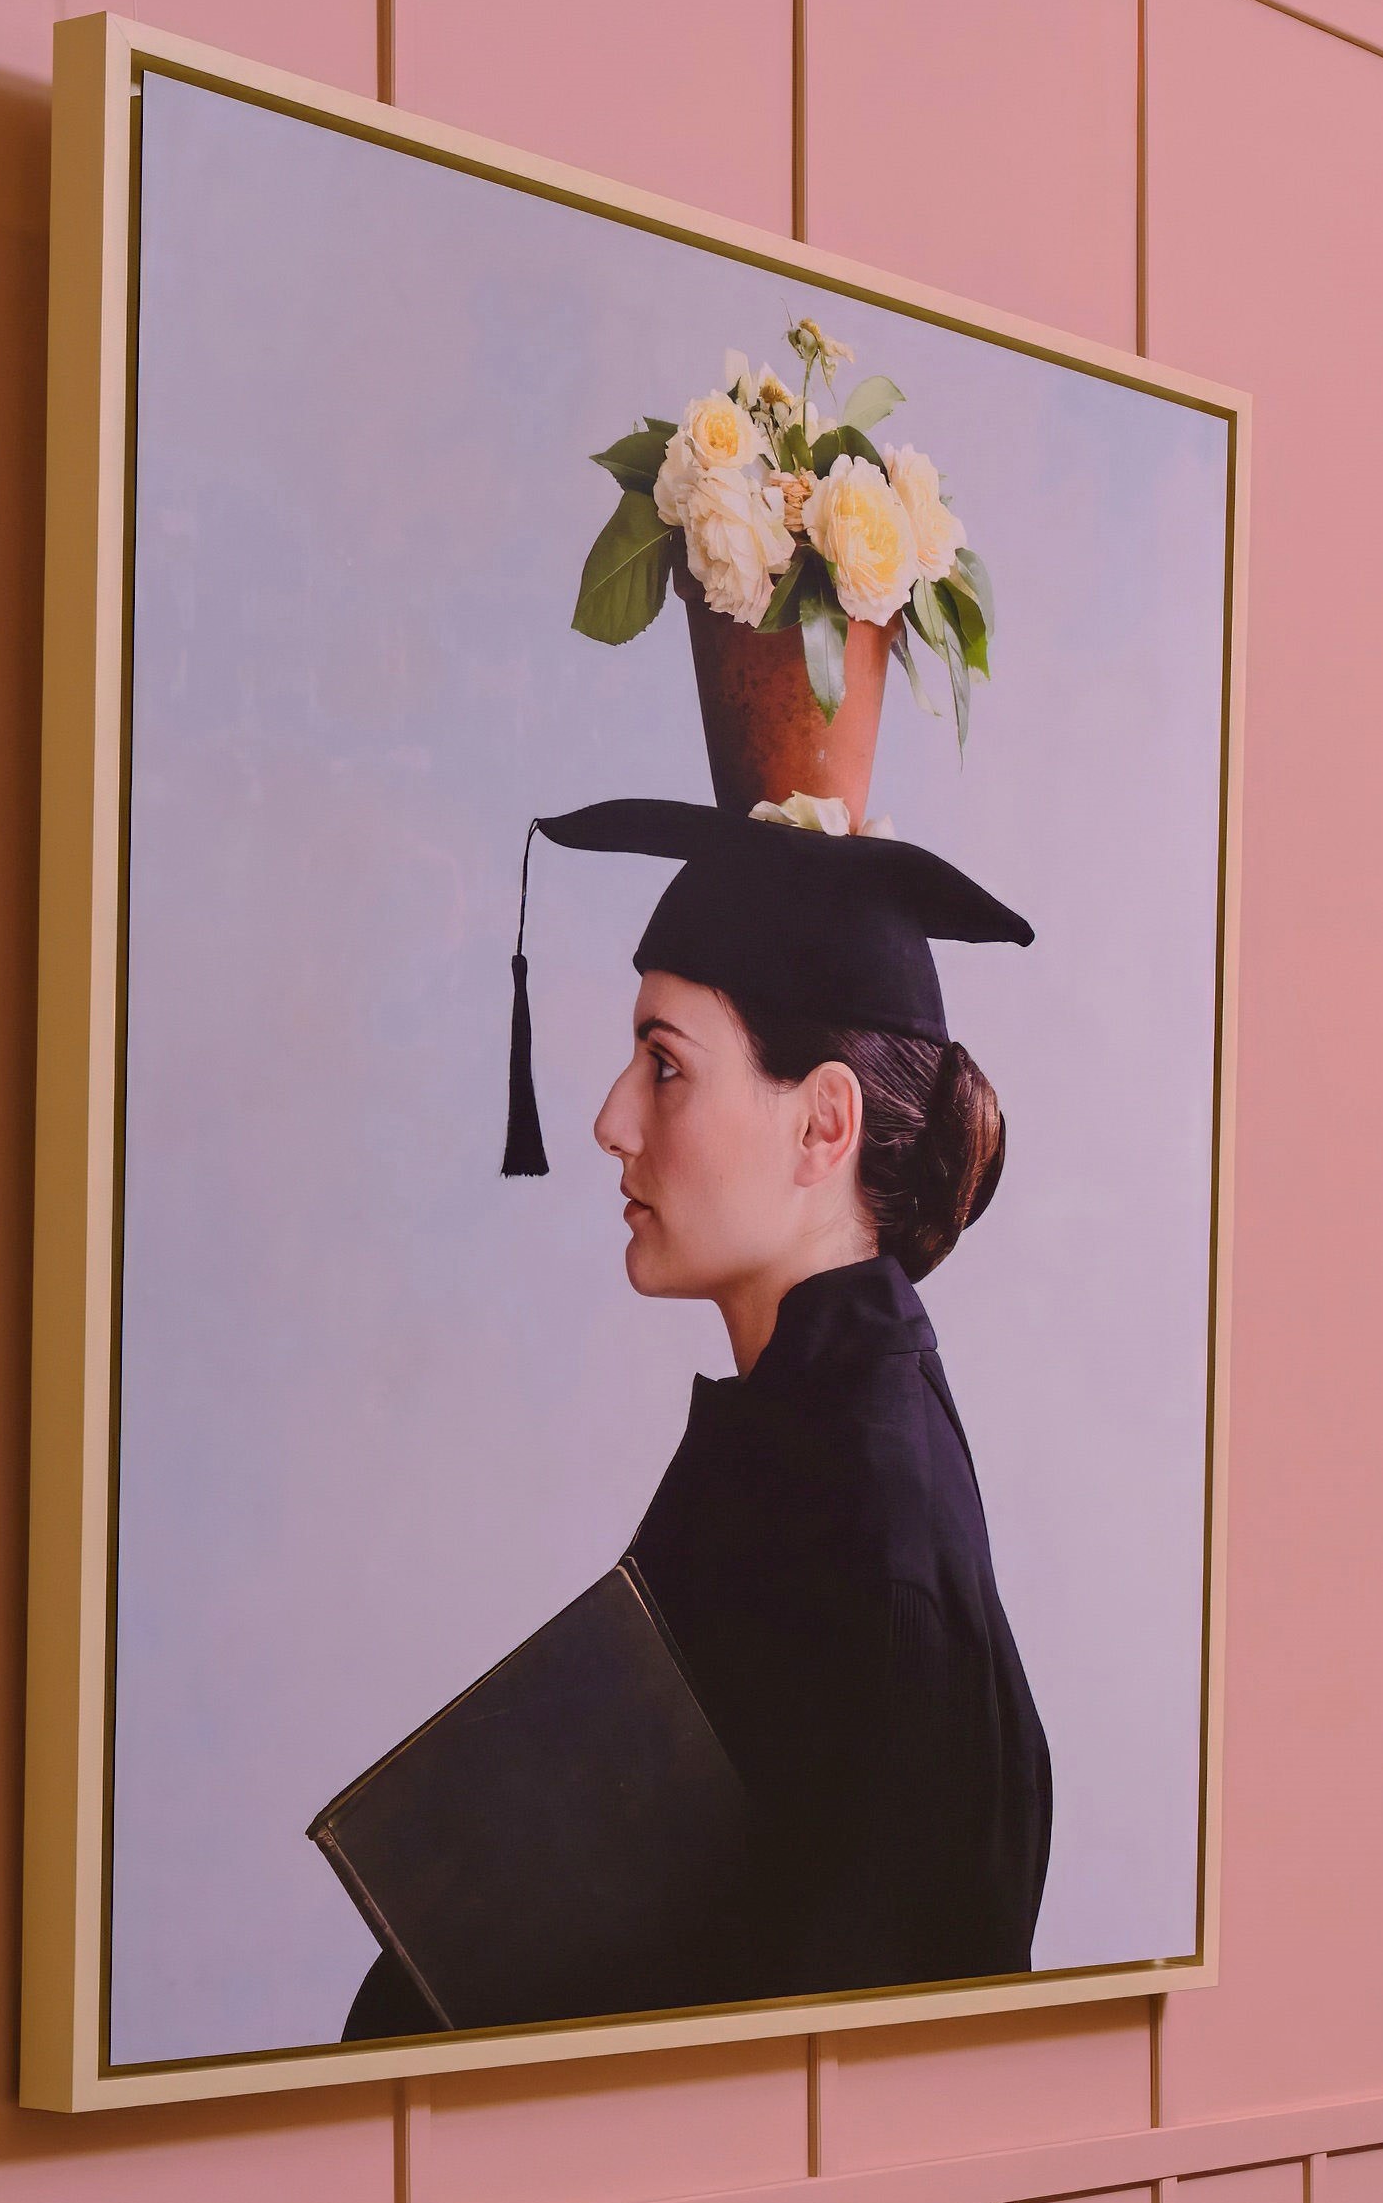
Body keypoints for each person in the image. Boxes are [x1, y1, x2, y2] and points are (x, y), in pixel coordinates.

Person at [340, 802, 1048, 2028]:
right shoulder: (803, 1440)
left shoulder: (865, 1523)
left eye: (665, 1064)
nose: (613, 1120)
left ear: (824, 1123)